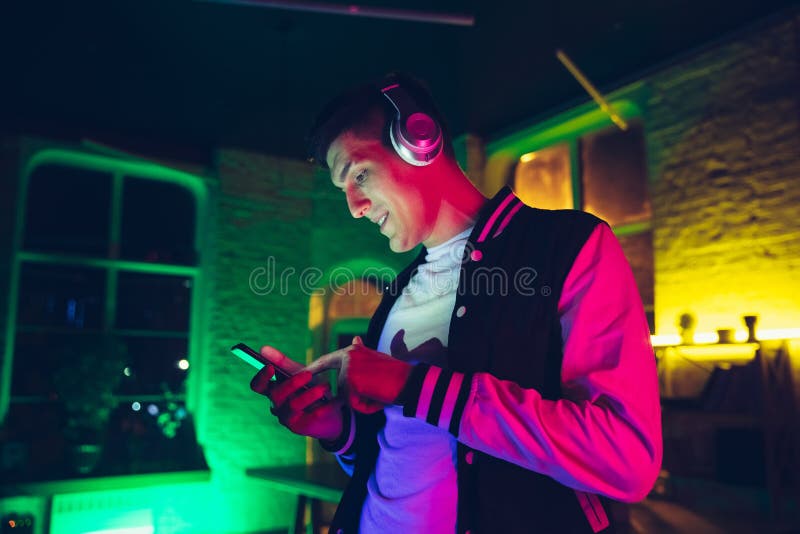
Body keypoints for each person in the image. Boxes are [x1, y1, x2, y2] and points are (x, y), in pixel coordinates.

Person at [250, 73, 662, 533]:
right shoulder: (397, 294)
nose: (354, 206)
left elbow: (627, 459)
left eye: (359, 174)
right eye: (343, 188)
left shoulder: (569, 247)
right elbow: (397, 459)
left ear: (418, 140)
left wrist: (414, 387)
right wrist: (338, 431)